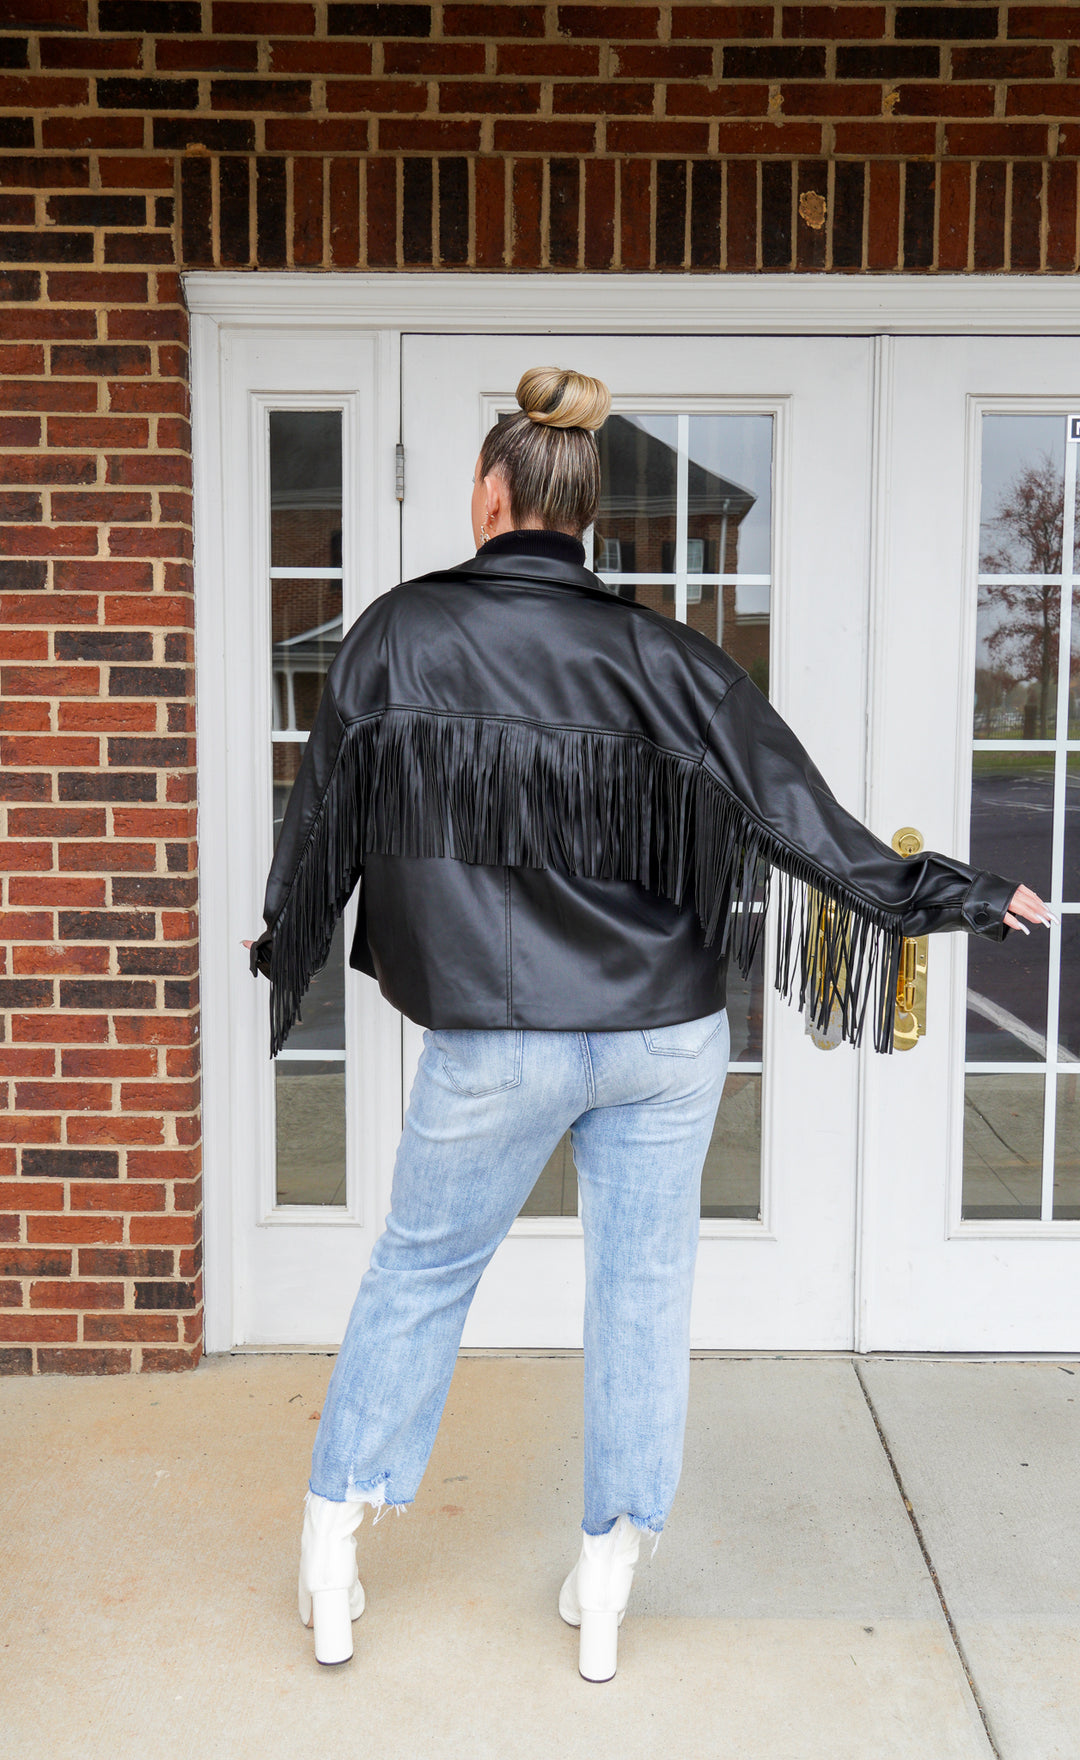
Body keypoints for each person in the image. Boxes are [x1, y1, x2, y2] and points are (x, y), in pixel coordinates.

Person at [247, 366, 1054, 1681]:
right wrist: (959, 895)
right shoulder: (672, 660)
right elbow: (810, 827)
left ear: (491, 495)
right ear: (585, 515)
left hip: (497, 1038)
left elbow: (323, 821)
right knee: (643, 1288)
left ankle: (335, 1546)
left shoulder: (395, 636)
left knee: (422, 1273)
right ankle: (610, 1573)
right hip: (665, 1039)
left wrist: (285, 939)